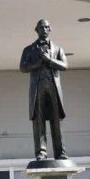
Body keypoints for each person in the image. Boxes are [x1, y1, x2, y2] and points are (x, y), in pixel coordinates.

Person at [20, 19, 69, 161]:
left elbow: (65, 66)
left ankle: (60, 152)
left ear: (50, 29)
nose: (44, 30)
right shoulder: (29, 49)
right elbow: (23, 67)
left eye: (47, 27)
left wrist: (49, 60)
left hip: (54, 87)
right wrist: (38, 64)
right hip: (38, 87)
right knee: (38, 120)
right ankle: (41, 152)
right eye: (41, 27)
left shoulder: (58, 49)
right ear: (36, 30)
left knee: (56, 120)